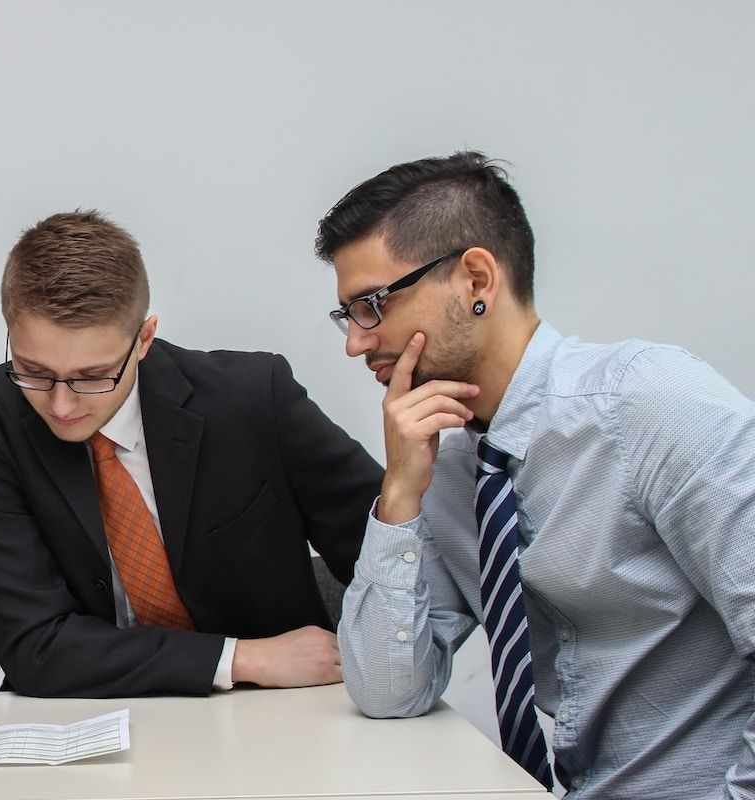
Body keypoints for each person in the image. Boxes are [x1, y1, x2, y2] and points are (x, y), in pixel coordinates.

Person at [318, 151, 755, 798]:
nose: (356, 341)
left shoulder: (648, 404)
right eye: (348, 314)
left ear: (475, 280)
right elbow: (388, 692)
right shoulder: (450, 462)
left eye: (373, 305)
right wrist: (401, 494)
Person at [0, 210, 381, 698]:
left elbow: (388, 560)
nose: (61, 405)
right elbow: (35, 647)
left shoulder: (252, 399)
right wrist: (243, 657)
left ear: (144, 339)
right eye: (33, 370)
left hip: (280, 712)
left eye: (92, 376)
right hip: (89, 717)